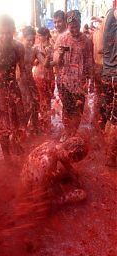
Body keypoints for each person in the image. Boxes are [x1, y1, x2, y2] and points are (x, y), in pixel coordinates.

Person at [0, 15, 27, 160]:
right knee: (3, 126)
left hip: (13, 88)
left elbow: (23, 70)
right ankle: (6, 157)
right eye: (2, 33)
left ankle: (16, 143)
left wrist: (24, 91)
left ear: (14, 31)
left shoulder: (19, 47)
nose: (5, 36)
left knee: (19, 120)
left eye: (9, 33)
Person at [54, 10, 94, 139]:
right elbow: (55, 61)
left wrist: (91, 81)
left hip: (80, 82)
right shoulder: (62, 38)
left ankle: (73, 132)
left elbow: (89, 61)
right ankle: (67, 131)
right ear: (68, 25)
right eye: (71, 27)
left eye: (76, 26)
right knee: (67, 107)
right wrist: (59, 54)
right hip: (64, 81)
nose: (74, 29)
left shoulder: (87, 41)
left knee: (78, 109)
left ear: (80, 23)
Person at [21, 136, 88, 204]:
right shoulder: (46, 165)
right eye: (74, 161)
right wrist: (66, 197)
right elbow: (38, 201)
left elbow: (64, 159)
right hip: (32, 189)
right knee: (82, 195)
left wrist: (73, 173)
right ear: (70, 155)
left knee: (63, 172)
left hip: (29, 174)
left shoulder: (54, 144)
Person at [101, 7, 117, 167]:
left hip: (107, 74)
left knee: (111, 117)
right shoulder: (114, 13)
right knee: (115, 119)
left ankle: (109, 153)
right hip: (115, 76)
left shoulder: (107, 17)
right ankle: (111, 158)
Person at [33, 27, 56, 133]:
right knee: (42, 100)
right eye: (37, 36)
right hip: (39, 76)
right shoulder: (36, 47)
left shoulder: (53, 46)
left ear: (46, 35)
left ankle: (46, 122)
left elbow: (54, 62)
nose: (38, 38)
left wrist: (44, 60)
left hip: (49, 76)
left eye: (39, 36)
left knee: (47, 100)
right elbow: (33, 62)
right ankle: (45, 123)